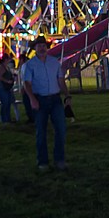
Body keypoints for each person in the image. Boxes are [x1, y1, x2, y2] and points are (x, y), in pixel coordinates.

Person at [22, 37, 68, 171]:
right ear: (35, 48)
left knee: (61, 129)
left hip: (55, 99)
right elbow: (27, 84)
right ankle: (43, 161)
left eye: (44, 46)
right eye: (39, 46)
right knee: (41, 131)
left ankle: (59, 160)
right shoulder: (30, 65)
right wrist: (32, 99)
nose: (42, 48)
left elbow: (60, 80)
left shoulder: (54, 63)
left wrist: (67, 95)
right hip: (39, 99)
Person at [0, 55, 19, 123]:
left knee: (8, 103)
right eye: (8, 59)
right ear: (5, 59)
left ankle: (8, 118)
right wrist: (7, 81)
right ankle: (4, 119)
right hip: (2, 87)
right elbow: (0, 77)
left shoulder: (7, 67)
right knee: (5, 103)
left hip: (7, 88)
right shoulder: (2, 67)